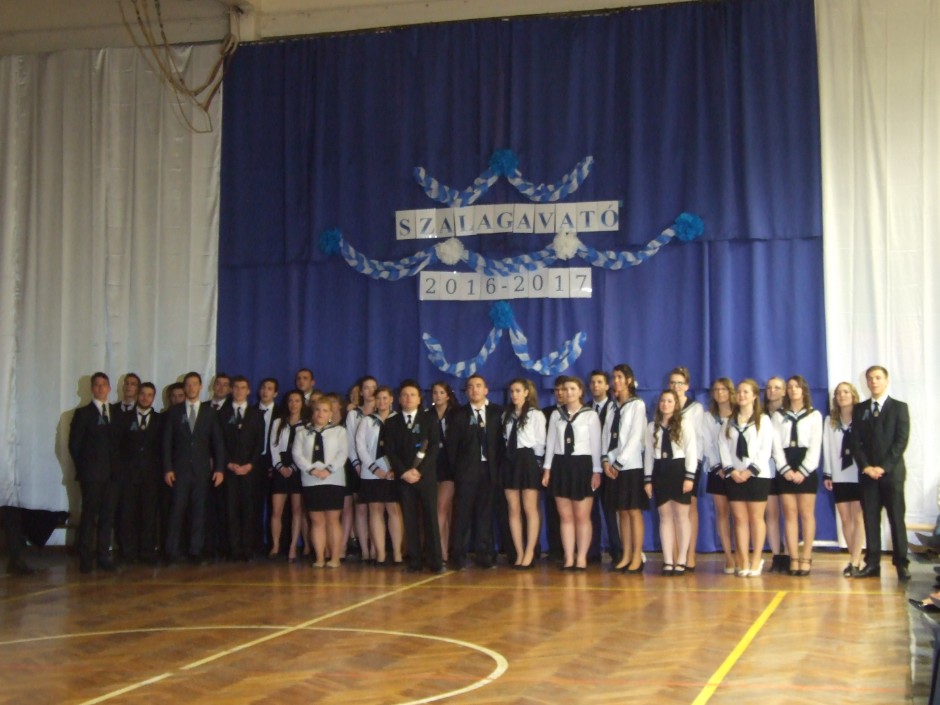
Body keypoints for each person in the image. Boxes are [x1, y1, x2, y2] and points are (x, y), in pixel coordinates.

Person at [851, 365, 911, 581]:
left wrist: (883, 467)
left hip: (892, 475)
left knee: (896, 519)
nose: (873, 382)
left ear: (886, 381)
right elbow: (855, 442)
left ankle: (901, 564)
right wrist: (866, 467)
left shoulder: (899, 408)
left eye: (878, 378)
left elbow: (901, 441)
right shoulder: (860, 409)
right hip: (868, 475)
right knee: (870, 520)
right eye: (870, 378)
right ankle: (872, 563)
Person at [162, 371, 226, 564]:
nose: (191, 388)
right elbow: (166, 443)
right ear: (184, 387)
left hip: (201, 471)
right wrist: (168, 468)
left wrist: (219, 469)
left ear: (200, 387)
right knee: (177, 511)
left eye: (194, 384)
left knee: (199, 511)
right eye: (188, 384)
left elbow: (218, 443)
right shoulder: (174, 412)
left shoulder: (209, 412)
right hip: (179, 471)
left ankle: (195, 550)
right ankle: (171, 551)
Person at [542, 376, 601, 571]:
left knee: (582, 516)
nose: (568, 393)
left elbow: (596, 445)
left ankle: (581, 557)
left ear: (581, 392)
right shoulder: (556, 415)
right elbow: (550, 443)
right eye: (565, 389)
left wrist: (596, 471)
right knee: (565, 516)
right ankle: (568, 557)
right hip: (561, 465)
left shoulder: (590, 415)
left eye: (572, 389)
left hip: (582, 465)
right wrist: (547, 469)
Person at [385, 379, 443, 573]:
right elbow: (390, 451)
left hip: (425, 477)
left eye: (412, 395)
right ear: (399, 399)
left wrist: (420, 471)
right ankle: (414, 561)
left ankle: (435, 561)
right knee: (409, 520)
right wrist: (404, 472)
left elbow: (434, 448)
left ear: (419, 399)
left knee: (430, 518)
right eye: (404, 395)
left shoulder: (429, 419)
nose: (408, 398)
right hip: (404, 478)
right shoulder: (392, 422)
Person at [447, 374, 504, 569]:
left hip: (489, 471)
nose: (474, 389)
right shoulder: (458, 414)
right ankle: (459, 556)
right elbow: (452, 447)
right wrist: (459, 470)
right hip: (466, 472)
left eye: (478, 386)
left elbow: (501, 444)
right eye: (470, 386)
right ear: (466, 392)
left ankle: (484, 555)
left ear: (486, 390)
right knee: (462, 514)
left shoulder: (497, 413)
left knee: (485, 514)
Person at [719, 378, 774, 577]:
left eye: (746, 392)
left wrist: (750, 471)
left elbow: (765, 449)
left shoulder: (763, 420)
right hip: (734, 476)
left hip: (757, 476)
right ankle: (742, 560)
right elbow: (723, 447)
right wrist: (732, 471)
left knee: (756, 518)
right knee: (739, 519)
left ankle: (756, 559)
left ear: (754, 396)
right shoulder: (728, 421)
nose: (741, 395)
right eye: (739, 392)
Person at [68, 372, 121, 573]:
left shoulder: (116, 412)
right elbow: (74, 446)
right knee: (89, 516)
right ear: (92, 389)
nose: (100, 388)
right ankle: (85, 558)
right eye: (97, 385)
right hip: (92, 476)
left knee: (107, 517)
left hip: (112, 476)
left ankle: (103, 555)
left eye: (104, 384)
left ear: (109, 388)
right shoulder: (83, 413)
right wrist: (85, 470)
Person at [772, 375, 822, 577]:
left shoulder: (814, 415)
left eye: (797, 386)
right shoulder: (778, 415)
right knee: (790, 515)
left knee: (806, 514)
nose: (793, 390)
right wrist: (785, 469)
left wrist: (803, 470)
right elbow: (776, 445)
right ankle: (793, 557)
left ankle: (806, 557)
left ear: (804, 390)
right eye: (790, 387)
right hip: (786, 466)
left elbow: (815, 445)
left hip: (805, 466)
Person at [644, 389, 697, 575]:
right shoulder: (652, 427)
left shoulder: (684, 424)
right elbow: (649, 455)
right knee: (665, 517)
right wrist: (648, 479)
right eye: (663, 401)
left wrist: (689, 476)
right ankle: (668, 560)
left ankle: (681, 559)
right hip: (661, 471)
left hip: (679, 470)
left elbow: (691, 451)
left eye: (669, 401)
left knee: (682, 516)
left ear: (676, 405)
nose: (665, 404)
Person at [601, 364, 647, 573]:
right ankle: (625, 554)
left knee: (633, 511)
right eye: (614, 377)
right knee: (621, 512)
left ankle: (637, 556)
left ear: (629, 380)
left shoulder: (637, 405)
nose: (616, 381)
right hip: (613, 467)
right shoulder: (612, 407)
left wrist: (620, 462)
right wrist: (605, 461)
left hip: (630, 466)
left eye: (620, 377)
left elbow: (635, 436)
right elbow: (606, 435)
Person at [293, 397, 348, 568]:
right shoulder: (302, 433)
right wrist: (312, 470)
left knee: (333, 519)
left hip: (333, 479)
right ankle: (319, 557)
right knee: (316, 520)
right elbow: (297, 455)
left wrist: (328, 470)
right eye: (317, 410)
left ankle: (335, 558)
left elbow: (342, 453)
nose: (320, 414)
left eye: (325, 410)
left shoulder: (339, 431)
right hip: (311, 480)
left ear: (331, 413)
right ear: (312, 412)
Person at [355, 385, 404, 566]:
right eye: (378, 398)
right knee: (375, 510)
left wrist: (396, 469)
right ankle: (380, 554)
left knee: (394, 510)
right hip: (372, 472)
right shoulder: (367, 421)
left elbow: (403, 446)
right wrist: (374, 468)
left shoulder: (399, 420)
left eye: (385, 398)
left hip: (393, 471)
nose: (382, 402)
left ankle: (397, 553)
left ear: (391, 400)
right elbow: (360, 446)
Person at [218, 376, 265, 561]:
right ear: (231, 390)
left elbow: (259, 443)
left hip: (249, 471)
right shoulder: (222, 413)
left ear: (249, 391)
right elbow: (219, 442)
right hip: (229, 469)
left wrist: (250, 465)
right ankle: (233, 549)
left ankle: (248, 549)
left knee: (248, 510)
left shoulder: (256, 414)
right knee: (231, 510)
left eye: (243, 387)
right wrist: (228, 463)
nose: (239, 391)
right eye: (236, 387)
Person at [501, 379, 546, 569]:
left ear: (526, 392)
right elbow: (505, 439)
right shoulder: (507, 415)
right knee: (513, 509)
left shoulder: (536, 414)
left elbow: (540, 443)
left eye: (518, 391)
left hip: (528, 460)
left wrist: (537, 464)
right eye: (512, 391)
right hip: (510, 460)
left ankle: (530, 551)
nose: (514, 395)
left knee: (530, 508)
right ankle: (519, 552)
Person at [117, 381, 163, 564]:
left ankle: (147, 552)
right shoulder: (124, 418)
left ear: (154, 398)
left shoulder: (160, 420)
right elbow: (117, 447)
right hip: (128, 476)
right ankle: (128, 552)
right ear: (137, 395)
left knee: (149, 515)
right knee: (127, 515)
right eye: (143, 394)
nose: (145, 398)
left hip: (152, 476)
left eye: (149, 395)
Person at [823, 382, 864, 577]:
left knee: (859, 517)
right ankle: (853, 558)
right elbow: (827, 447)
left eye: (846, 392)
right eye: (838, 393)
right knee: (845, 518)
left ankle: (856, 559)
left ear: (853, 395)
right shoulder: (830, 421)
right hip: (840, 474)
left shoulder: (862, 419)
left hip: (858, 472)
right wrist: (828, 473)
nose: (842, 395)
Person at [668, 367, 704, 571]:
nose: (676, 386)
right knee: (671, 510)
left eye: (680, 383)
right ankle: (673, 555)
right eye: (673, 383)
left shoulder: (695, 409)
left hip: (689, 464)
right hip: (669, 465)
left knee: (689, 508)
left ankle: (690, 554)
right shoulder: (665, 405)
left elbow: (698, 439)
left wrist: (693, 467)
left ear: (687, 386)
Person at [268, 390, 309, 561]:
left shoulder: (306, 424)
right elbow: (273, 446)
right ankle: (275, 545)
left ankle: (293, 546)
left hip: (297, 467)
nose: (293, 404)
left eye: (297, 401)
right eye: (291, 401)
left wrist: (292, 467)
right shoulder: (279, 422)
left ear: (302, 403)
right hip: (280, 466)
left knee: (297, 510)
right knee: (276, 510)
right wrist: (279, 466)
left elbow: (305, 449)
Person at [704, 377, 736, 574]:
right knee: (722, 514)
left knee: (740, 516)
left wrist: (732, 468)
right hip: (718, 472)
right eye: (716, 390)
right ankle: (729, 557)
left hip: (738, 471)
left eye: (723, 389)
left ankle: (742, 555)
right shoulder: (709, 417)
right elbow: (707, 444)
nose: (719, 393)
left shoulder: (739, 414)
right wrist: (719, 467)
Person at [346, 376, 377, 562]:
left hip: (378, 468)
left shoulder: (383, 412)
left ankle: (375, 548)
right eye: (366, 387)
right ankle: (364, 549)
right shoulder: (353, 414)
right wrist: (357, 464)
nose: (370, 391)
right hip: (357, 466)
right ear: (361, 391)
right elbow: (350, 442)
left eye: (374, 387)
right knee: (360, 509)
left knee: (376, 509)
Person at [588, 370, 617, 564]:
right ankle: (592, 552)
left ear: (607, 386)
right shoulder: (584, 409)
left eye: (599, 382)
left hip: (610, 467)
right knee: (590, 511)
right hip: (589, 468)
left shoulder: (615, 408)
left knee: (611, 511)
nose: (595, 385)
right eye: (592, 382)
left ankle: (617, 552)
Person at [431, 381, 459, 563]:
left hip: (450, 466)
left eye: (442, 392)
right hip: (432, 465)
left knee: (441, 508)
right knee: (443, 510)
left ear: (448, 395)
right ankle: (443, 551)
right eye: (435, 392)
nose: (438, 396)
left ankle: (438, 551)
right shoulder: (427, 415)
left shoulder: (456, 415)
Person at [763, 376, 788, 572]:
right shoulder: (759, 414)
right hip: (768, 468)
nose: (772, 391)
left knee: (789, 513)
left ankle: (789, 554)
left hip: (787, 468)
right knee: (771, 514)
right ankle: (776, 555)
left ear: (785, 391)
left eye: (777, 387)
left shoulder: (790, 413)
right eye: (769, 387)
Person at [255, 377, 279, 557]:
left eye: (269, 389)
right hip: (255, 463)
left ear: (275, 393)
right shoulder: (250, 411)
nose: (265, 391)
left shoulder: (281, 413)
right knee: (254, 505)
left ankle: (275, 544)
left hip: (274, 463)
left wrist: (274, 463)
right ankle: (256, 543)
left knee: (276, 508)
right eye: (263, 388)